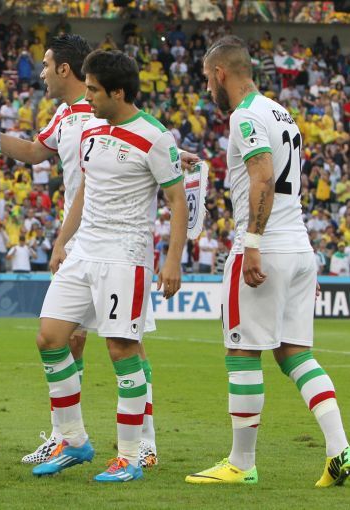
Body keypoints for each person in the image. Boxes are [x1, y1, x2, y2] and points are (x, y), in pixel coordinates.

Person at [187, 36, 350, 487]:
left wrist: (253, 243)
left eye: (208, 79)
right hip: (298, 247)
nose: (207, 89)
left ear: (221, 73)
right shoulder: (282, 112)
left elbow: (263, 176)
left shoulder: (244, 116)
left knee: (241, 351)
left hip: (266, 246)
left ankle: (241, 464)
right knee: (296, 354)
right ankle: (340, 449)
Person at [0, 34, 162, 467]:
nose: (42, 73)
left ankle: (145, 441)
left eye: (46, 65)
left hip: (119, 243)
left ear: (65, 69)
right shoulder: (65, 116)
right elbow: (34, 152)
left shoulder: (108, 110)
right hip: (79, 238)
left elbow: (153, 147)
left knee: (128, 342)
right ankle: (65, 436)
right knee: (66, 339)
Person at [31, 50, 187, 483]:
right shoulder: (91, 130)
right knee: (50, 338)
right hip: (84, 250)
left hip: (124, 255)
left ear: (118, 92)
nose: (88, 97)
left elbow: (177, 202)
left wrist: (172, 260)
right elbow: (85, 190)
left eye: (94, 90)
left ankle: (130, 457)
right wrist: (62, 241)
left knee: (121, 349)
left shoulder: (155, 137)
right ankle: (74, 440)